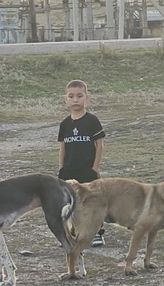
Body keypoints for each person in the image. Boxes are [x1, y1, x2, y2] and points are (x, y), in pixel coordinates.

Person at [58, 79, 107, 247]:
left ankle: (97, 234)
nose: (75, 99)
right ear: (66, 99)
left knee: (92, 201)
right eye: (71, 96)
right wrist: (61, 167)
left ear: (87, 98)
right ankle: (73, 233)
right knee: (70, 202)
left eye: (79, 96)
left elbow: (99, 144)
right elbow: (63, 147)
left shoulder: (92, 121)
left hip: (87, 170)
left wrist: (95, 167)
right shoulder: (64, 124)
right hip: (69, 170)